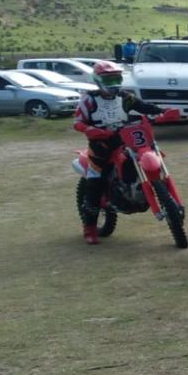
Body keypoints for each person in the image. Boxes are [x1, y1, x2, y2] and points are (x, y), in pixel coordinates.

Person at [73, 61, 170, 245]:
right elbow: (77, 122)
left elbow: (144, 107)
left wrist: (163, 111)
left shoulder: (126, 97)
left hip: (125, 140)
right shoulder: (88, 100)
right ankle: (90, 228)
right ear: (98, 80)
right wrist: (89, 129)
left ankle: (143, 191)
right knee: (95, 184)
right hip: (101, 145)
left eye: (116, 78)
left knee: (144, 156)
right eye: (108, 79)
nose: (113, 83)